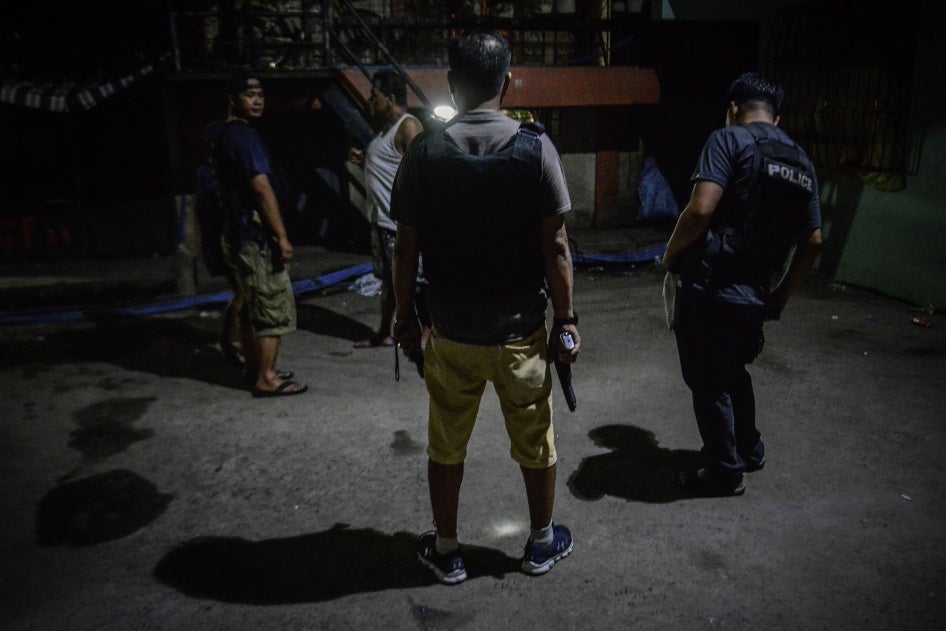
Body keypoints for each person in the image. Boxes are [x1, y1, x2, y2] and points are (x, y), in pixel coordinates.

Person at [390, 32, 579, 584]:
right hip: (520, 334)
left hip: (450, 335)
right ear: (508, 82)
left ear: (452, 84)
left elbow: (406, 247)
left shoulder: (424, 150)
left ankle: (447, 551)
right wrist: (565, 322)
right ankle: (541, 544)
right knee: (536, 440)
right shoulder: (536, 146)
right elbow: (556, 245)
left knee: (446, 443)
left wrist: (407, 320)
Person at [662, 72, 822, 496]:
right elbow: (813, 241)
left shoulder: (726, 140)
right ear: (777, 116)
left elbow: (700, 212)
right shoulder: (801, 161)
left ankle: (723, 470)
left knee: (708, 381)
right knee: (734, 370)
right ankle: (749, 449)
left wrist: (671, 255)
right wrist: (781, 295)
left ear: (734, 108)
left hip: (712, 288)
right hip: (756, 291)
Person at [213, 71, 307, 397]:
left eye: (261, 95)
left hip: (235, 234)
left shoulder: (222, 135)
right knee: (271, 306)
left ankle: (254, 370)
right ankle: (267, 377)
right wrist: (281, 235)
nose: (257, 100)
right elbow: (261, 186)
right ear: (233, 99)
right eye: (249, 94)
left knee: (251, 307)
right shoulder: (243, 137)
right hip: (254, 237)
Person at [348, 69, 424, 348]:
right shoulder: (384, 132)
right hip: (380, 221)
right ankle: (385, 332)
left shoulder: (408, 126)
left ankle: (425, 334)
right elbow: (391, 165)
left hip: (400, 224)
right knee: (389, 283)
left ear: (390, 98)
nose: (370, 100)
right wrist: (366, 160)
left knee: (412, 281)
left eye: (374, 94)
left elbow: (421, 170)